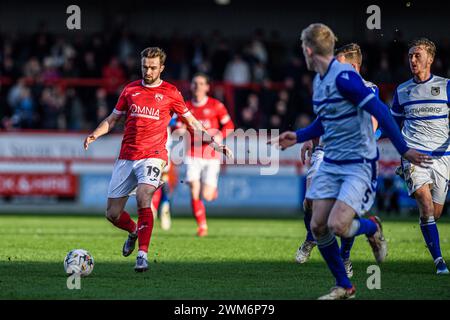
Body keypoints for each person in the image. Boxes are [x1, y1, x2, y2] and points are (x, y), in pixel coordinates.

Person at [270, 23, 430, 299]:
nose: (302, 53)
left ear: (309, 50)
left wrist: (404, 150)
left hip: (358, 163)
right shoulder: (321, 80)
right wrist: (298, 136)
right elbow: (325, 120)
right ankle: (344, 285)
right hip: (332, 161)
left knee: (338, 225)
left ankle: (372, 227)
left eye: (302, 48)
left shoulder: (344, 77)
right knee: (318, 226)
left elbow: (380, 109)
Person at [84, 47, 232, 272]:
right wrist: (95, 133)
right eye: (145, 66)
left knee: (144, 197)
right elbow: (113, 119)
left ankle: (142, 255)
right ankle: (134, 231)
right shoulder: (130, 90)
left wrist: (213, 142)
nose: (148, 70)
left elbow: (192, 122)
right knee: (112, 214)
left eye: (153, 67)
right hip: (126, 156)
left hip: (153, 156)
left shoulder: (171, 93)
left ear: (161, 67)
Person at [295, 43, 379, 280]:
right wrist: (309, 139)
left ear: (353, 66)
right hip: (325, 150)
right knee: (310, 200)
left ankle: (345, 255)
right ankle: (311, 239)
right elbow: (323, 118)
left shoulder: (368, 88)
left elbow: (374, 120)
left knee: (345, 212)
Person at [391, 38, 450, 274]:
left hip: (443, 156)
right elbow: (391, 124)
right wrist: (370, 138)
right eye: (410, 56)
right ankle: (439, 262)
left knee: (435, 213)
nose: (413, 60)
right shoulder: (402, 90)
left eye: (417, 55)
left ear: (430, 59)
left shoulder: (446, 86)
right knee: (425, 206)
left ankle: (430, 237)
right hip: (414, 154)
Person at [179, 73, 235, 236]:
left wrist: (219, 136)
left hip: (211, 155)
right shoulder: (186, 107)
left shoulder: (216, 105)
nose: (197, 86)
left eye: (201, 83)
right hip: (192, 153)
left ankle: (211, 191)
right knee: (194, 190)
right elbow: (177, 124)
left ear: (207, 87)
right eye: (195, 83)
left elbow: (229, 125)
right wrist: (179, 129)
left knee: (207, 195)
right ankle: (202, 225)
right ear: (191, 86)